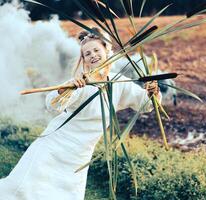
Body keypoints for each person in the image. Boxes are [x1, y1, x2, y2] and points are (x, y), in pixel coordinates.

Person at [0, 27, 161, 200]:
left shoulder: (119, 83)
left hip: (79, 156)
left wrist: (152, 93)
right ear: (83, 59)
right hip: (54, 146)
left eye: (96, 50)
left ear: (107, 50)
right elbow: (52, 106)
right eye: (87, 53)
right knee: (25, 190)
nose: (93, 55)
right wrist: (63, 90)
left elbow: (145, 104)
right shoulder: (80, 82)